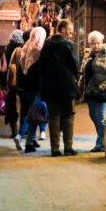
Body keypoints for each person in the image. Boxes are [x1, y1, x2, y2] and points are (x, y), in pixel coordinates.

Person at [37, 19, 80, 156]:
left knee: (54, 117)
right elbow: (75, 65)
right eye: (70, 31)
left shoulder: (46, 45)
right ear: (62, 30)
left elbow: (41, 66)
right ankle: (68, 147)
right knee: (68, 116)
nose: (71, 34)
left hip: (50, 87)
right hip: (67, 86)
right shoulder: (68, 45)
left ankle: (54, 149)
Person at [79, 31, 106, 152]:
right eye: (93, 43)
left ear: (102, 42)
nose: (96, 46)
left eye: (98, 43)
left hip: (102, 91)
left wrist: (104, 85)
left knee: (100, 116)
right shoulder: (88, 56)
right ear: (89, 44)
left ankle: (102, 143)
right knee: (93, 116)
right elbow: (83, 72)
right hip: (90, 91)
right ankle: (104, 137)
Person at [10, 26, 46, 153]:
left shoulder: (24, 49)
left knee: (27, 113)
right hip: (35, 88)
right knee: (36, 116)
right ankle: (25, 138)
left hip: (23, 87)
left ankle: (29, 140)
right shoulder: (40, 50)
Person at [1, 30, 24, 140]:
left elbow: (1, 67)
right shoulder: (24, 48)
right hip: (22, 80)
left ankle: (13, 128)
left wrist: (2, 84)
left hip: (9, 81)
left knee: (11, 105)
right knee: (24, 104)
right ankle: (24, 129)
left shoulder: (6, 49)